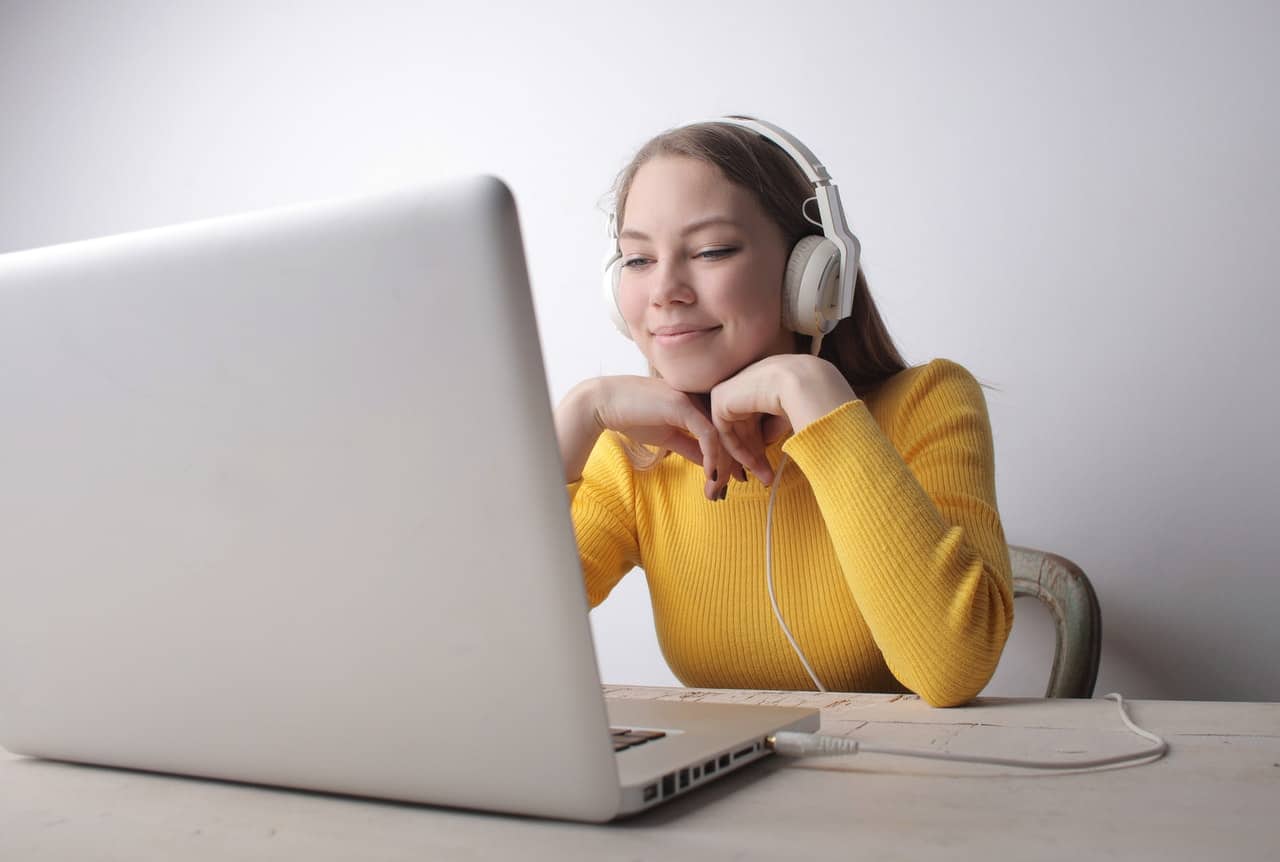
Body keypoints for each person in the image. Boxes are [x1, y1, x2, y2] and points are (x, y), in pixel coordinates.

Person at [554, 116, 1013, 707]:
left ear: (812, 276)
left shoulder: (928, 402)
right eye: (638, 260)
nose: (665, 289)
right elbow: (485, 646)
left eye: (712, 250)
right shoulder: (633, 459)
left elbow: (953, 668)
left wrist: (814, 393)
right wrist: (577, 416)